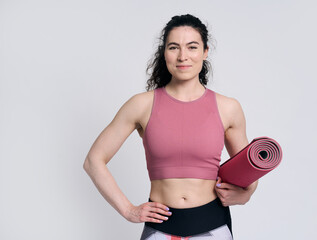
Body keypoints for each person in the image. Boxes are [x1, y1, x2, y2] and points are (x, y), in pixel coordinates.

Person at [83, 14, 258, 239]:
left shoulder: (228, 108)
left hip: (212, 225)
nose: (183, 56)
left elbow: (250, 170)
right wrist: (128, 210)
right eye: (174, 47)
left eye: (192, 47)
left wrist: (246, 195)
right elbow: (93, 161)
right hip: (160, 227)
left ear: (205, 52)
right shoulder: (141, 105)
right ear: (164, 52)